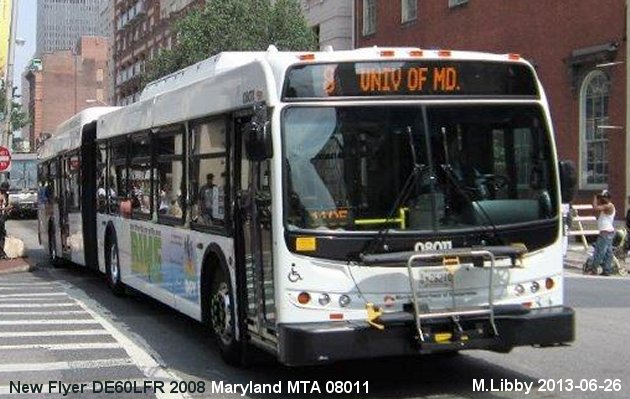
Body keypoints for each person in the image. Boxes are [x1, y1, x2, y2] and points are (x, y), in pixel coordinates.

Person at [590, 189, 616, 276]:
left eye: (603, 198)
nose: (601, 199)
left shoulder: (609, 206)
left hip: (606, 232)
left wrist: (594, 197)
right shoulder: (606, 206)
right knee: (608, 252)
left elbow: (595, 207)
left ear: (608, 198)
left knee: (600, 251)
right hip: (607, 232)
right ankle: (606, 270)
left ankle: (594, 269)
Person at [0, 182, 11, 259]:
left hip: (2, 217)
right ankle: (1, 253)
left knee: (2, 235)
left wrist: (8, 210)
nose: (4, 191)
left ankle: (2, 252)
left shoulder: (6, 195)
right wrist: (5, 208)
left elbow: (7, 204)